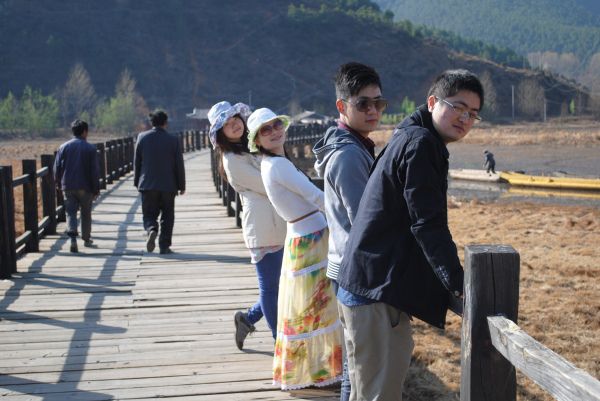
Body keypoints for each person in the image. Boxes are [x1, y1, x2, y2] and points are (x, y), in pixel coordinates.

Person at [337, 69, 484, 401]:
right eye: (458, 107)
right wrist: (460, 284)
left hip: (366, 284)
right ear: (432, 102)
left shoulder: (410, 133)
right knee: (379, 394)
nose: (465, 118)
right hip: (376, 292)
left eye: (473, 114)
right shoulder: (421, 144)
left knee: (365, 391)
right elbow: (427, 223)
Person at [247, 107, 343, 390]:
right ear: (257, 140)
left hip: (302, 235)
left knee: (307, 308)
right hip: (310, 238)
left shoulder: (272, 163)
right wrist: (350, 215)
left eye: (276, 125)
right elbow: (316, 196)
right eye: (265, 130)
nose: (274, 132)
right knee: (318, 306)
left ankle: (312, 368)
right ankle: (321, 370)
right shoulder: (279, 165)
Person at [312, 61, 385, 401]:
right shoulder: (349, 156)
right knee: (361, 374)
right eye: (363, 103)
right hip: (357, 273)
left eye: (379, 103)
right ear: (342, 106)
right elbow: (366, 223)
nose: (373, 111)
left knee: (353, 371)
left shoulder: (351, 146)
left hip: (346, 266)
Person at [207, 100, 287, 350]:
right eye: (227, 124)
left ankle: (248, 319)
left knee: (282, 285)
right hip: (263, 228)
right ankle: (280, 344)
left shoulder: (250, 148)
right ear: (220, 133)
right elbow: (269, 184)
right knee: (271, 289)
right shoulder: (231, 159)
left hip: (280, 223)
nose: (234, 125)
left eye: (236, 120)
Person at [134, 110, 185, 254]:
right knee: (167, 216)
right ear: (165, 123)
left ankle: (151, 229)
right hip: (168, 185)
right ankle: (164, 246)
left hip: (148, 184)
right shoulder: (173, 140)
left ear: (152, 123)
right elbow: (179, 164)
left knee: (149, 214)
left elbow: (137, 162)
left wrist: (137, 182)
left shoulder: (142, 137)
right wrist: (181, 185)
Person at [54, 119, 100, 253]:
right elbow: (94, 171)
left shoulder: (63, 147)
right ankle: (86, 238)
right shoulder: (90, 148)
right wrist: (96, 188)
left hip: (68, 185)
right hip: (86, 186)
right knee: (86, 213)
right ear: (85, 132)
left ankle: (73, 237)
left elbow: (57, 167)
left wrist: (58, 182)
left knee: (70, 212)